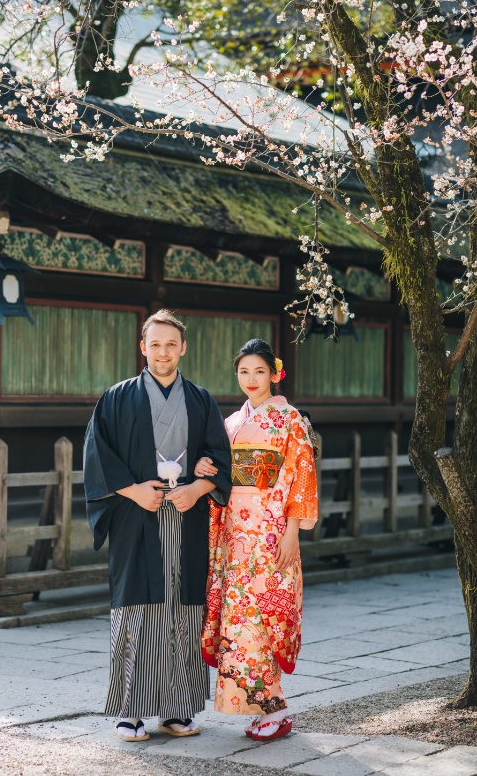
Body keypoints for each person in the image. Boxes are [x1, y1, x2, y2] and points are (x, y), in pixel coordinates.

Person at [83, 309, 232, 742]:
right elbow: (97, 456)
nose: (163, 352)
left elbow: (220, 458)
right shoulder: (117, 397)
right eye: (155, 344)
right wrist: (132, 491)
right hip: (136, 516)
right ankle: (130, 710)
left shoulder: (201, 399)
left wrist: (200, 487)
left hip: (186, 518)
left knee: (184, 610)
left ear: (183, 348)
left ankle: (177, 708)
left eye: (171, 344)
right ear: (142, 347)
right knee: (135, 609)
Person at [197, 338, 318, 742]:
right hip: (235, 533)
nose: (251, 379)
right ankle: (261, 707)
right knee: (240, 619)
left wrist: (292, 533)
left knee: (264, 617)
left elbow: (301, 476)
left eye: (259, 371)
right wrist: (204, 464)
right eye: (244, 371)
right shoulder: (231, 422)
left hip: (270, 532)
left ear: (275, 374)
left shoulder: (289, 419)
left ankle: (274, 707)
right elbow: (217, 470)